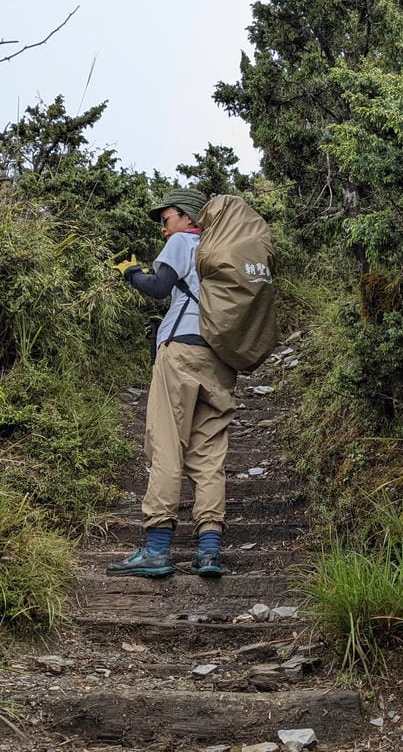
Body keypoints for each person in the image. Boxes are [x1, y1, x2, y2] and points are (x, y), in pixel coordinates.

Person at [106, 187, 236, 578]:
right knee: (209, 453)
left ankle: (157, 549)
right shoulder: (226, 250)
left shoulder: (184, 241)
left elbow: (158, 287)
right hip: (221, 358)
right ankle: (209, 550)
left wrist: (130, 272)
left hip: (182, 351)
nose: (164, 229)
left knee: (166, 442)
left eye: (166, 220)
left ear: (188, 217)